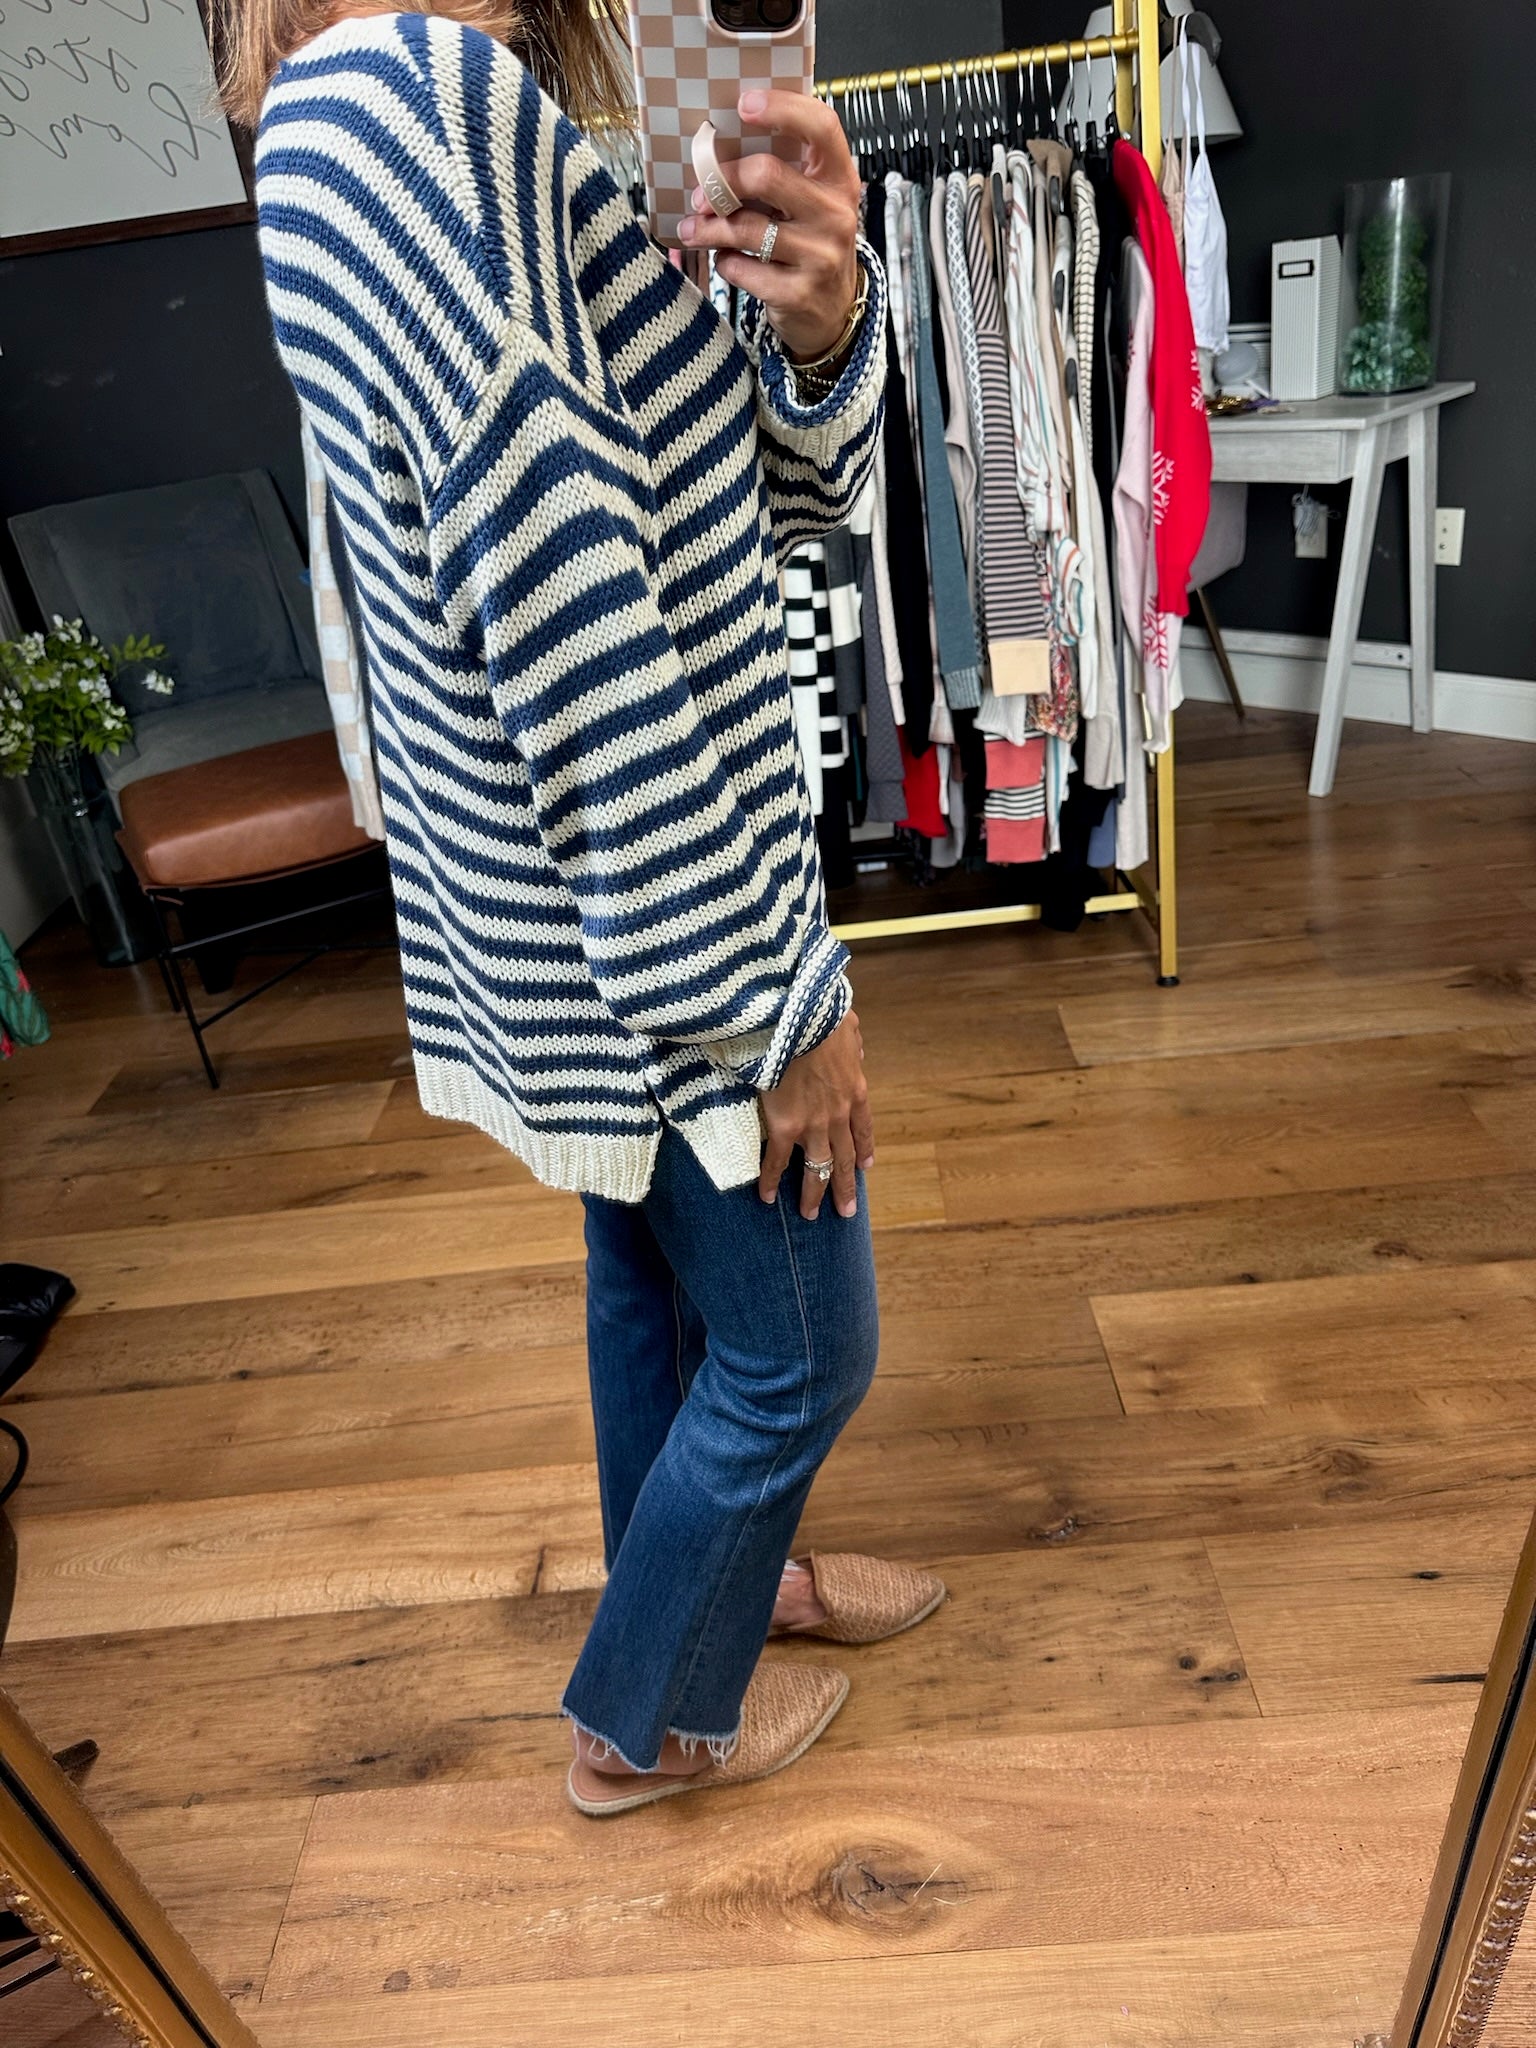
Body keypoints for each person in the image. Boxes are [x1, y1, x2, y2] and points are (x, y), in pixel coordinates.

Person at [221, 0, 945, 1815]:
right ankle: (642, 1720)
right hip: (660, 914)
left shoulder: (435, 119)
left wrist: (820, 319)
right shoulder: (418, 103)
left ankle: (725, 1590)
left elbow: (766, 504)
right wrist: (779, 1009)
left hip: (581, 921)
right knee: (801, 1349)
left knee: (657, 1292)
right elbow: (565, 602)